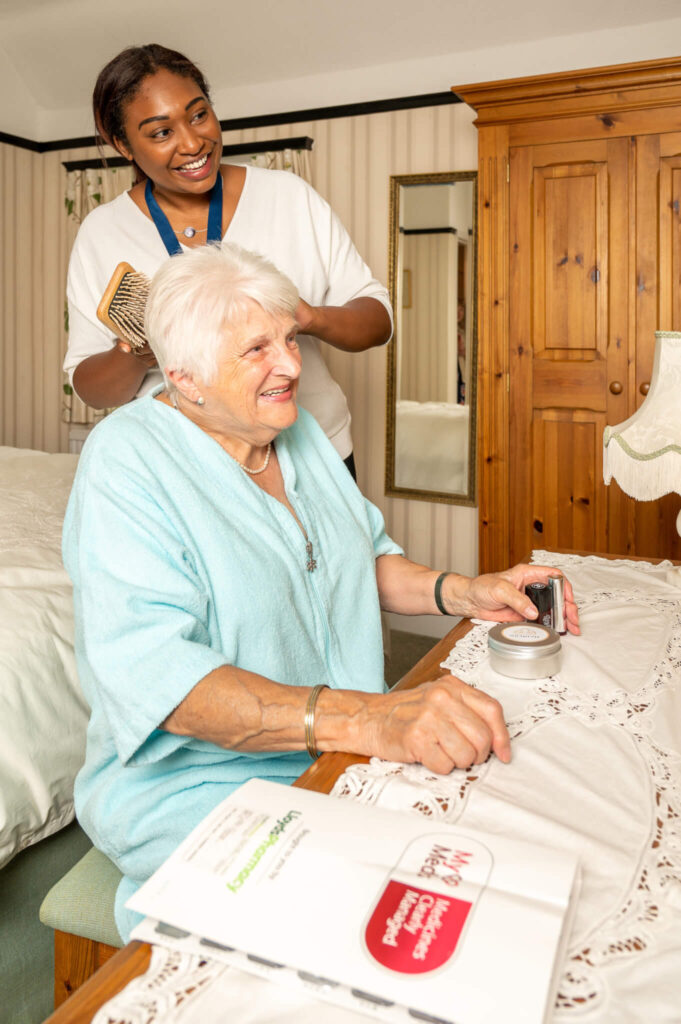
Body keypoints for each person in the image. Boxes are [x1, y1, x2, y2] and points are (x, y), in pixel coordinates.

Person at [62, 242, 580, 942]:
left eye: (288, 338)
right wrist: (368, 720)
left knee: (502, 855)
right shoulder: (127, 464)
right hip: (199, 785)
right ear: (184, 377)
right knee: (375, 928)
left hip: (334, 746)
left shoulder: (296, 431)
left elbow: (350, 559)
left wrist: (464, 591)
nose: (290, 365)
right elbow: (164, 685)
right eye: (256, 350)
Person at [63, 43, 392, 475]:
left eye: (199, 115)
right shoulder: (102, 231)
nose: (193, 142)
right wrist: (138, 351)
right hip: (185, 468)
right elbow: (91, 388)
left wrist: (308, 317)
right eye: (161, 132)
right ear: (124, 145)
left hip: (314, 456)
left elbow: (378, 321)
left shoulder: (288, 196)